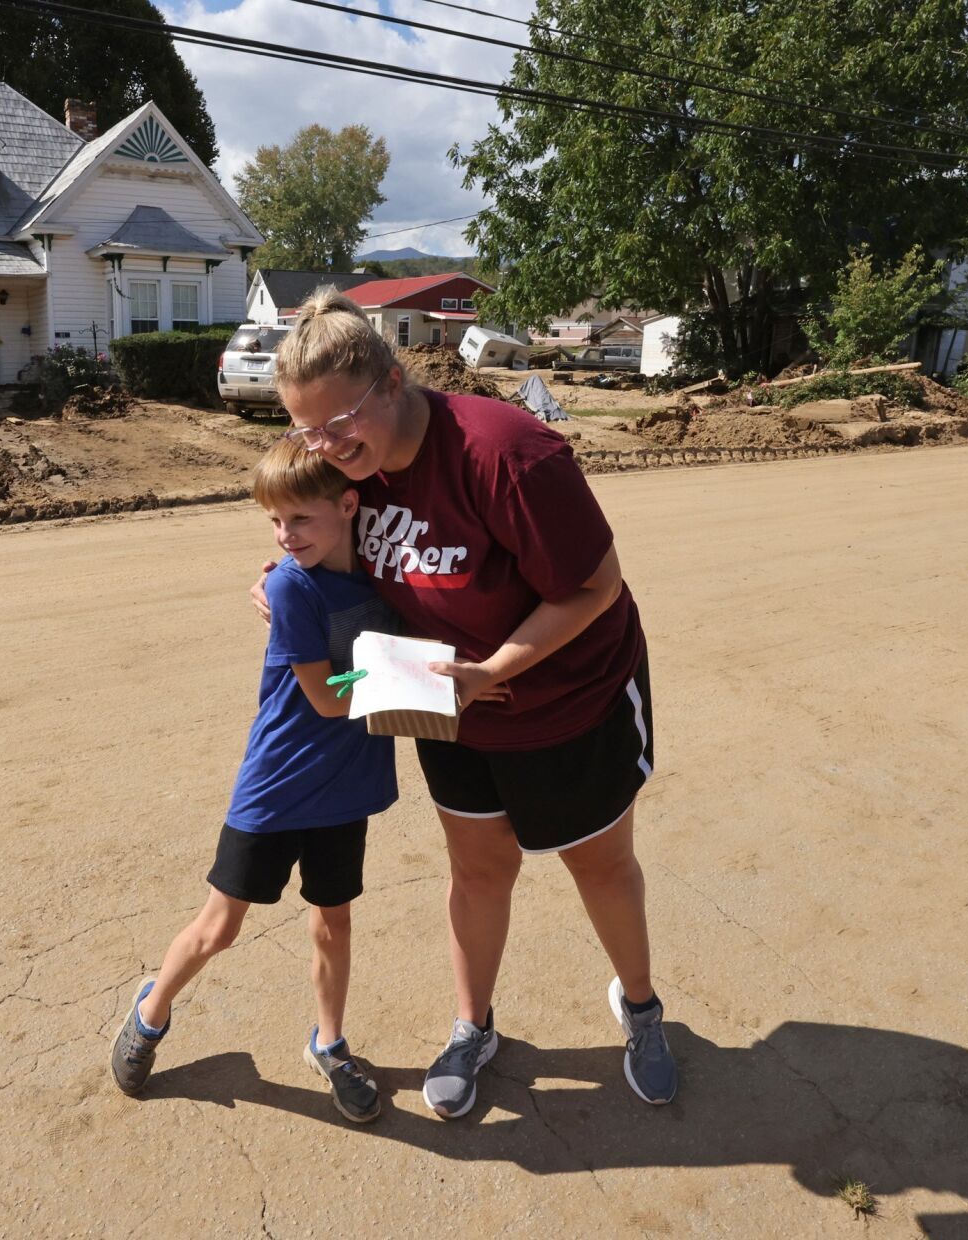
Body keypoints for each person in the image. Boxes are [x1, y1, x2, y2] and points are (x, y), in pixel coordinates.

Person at [253, 288, 677, 1117]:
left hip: (569, 699)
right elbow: (299, 522)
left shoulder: (506, 454)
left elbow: (596, 586)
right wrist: (279, 577)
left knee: (598, 863)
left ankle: (641, 1008)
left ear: (393, 378)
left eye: (340, 422)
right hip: (445, 701)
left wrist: (495, 667)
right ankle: (471, 1024)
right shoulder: (348, 469)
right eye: (308, 431)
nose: (329, 447)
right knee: (479, 870)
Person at [111, 438, 476, 1122]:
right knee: (218, 927)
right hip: (276, 784)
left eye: (300, 520)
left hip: (349, 788)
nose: (285, 535)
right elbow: (326, 697)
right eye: (275, 523)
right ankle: (150, 1011)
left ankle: (329, 1044)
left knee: (333, 922)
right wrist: (403, 669)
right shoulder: (290, 583)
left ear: (347, 506)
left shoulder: (378, 575)